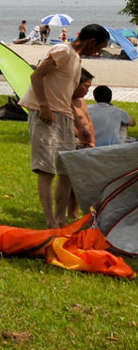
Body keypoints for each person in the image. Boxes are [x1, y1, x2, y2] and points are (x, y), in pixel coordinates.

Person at [20, 24, 110, 228]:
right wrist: (44, 105)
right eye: (98, 48)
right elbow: (36, 76)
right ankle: (50, 219)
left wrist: (81, 126)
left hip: (64, 117)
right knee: (47, 170)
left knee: (66, 171)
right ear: (91, 42)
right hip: (45, 115)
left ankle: (61, 218)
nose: (97, 53)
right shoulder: (63, 51)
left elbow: (68, 95)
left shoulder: (77, 60)